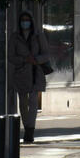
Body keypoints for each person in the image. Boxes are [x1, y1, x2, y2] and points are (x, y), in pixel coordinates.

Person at [8, 11, 50, 143]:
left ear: (31, 21)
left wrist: (36, 60)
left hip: (35, 72)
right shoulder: (15, 37)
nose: (25, 22)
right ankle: (27, 126)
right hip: (21, 73)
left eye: (27, 20)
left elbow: (46, 54)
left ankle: (30, 130)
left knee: (33, 102)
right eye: (22, 20)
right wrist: (23, 59)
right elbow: (11, 56)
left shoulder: (39, 36)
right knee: (23, 103)